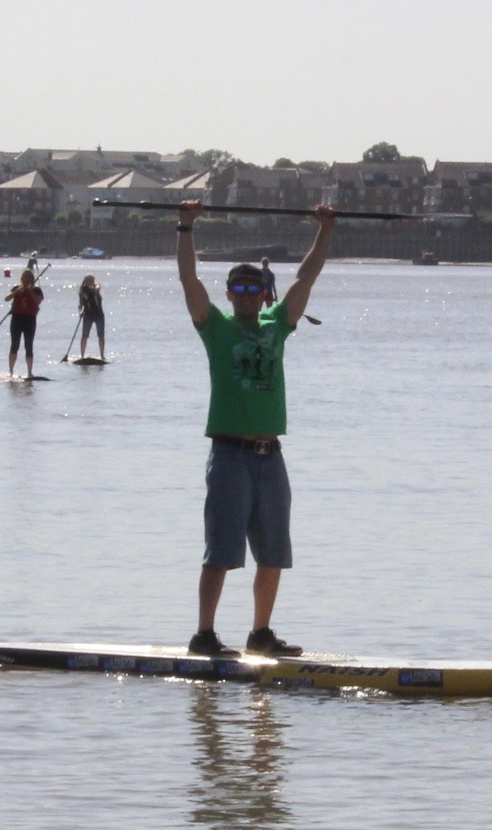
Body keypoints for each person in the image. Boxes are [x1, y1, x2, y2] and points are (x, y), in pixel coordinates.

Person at [176, 198, 335, 659]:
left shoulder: (278, 323)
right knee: (222, 551)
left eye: (252, 287)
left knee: (274, 553)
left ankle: (260, 634)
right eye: (238, 288)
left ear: (262, 292)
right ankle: (204, 634)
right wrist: (185, 227)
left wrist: (324, 228)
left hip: (271, 457)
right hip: (229, 455)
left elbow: (307, 275)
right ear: (229, 294)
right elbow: (189, 280)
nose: (246, 294)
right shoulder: (215, 327)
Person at [5, 264, 43, 378]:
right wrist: (17, 292)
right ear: (22, 278)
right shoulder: (17, 288)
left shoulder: (36, 290)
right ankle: (11, 371)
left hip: (30, 320)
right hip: (17, 319)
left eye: (28, 277)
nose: (26, 279)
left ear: (31, 279)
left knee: (28, 345)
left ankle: (29, 372)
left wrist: (30, 291)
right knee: (14, 345)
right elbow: (7, 298)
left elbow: (38, 302)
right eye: (24, 277)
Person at [78, 274, 106, 360]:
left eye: (92, 280)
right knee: (84, 336)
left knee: (101, 335)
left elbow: (97, 288)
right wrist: (80, 311)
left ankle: (102, 355)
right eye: (90, 280)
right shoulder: (82, 291)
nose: (92, 282)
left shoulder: (97, 287)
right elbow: (81, 303)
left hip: (99, 314)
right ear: (86, 281)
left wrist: (92, 287)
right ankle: (82, 355)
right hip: (88, 315)